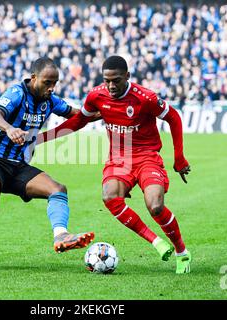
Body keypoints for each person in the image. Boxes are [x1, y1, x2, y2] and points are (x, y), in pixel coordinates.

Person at [38, 56, 192, 274]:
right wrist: (42, 138)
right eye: (107, 80)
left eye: (116, 80)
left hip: (147, 156)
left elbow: (174, 117)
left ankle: (182, 252)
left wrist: (179, 158)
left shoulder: (145, 97)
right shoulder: (97, 96)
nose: (111, 86)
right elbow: (79, 121)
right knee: (109, 196)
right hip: (119, 158)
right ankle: (155, 241)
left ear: (127, 76)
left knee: (155, 205)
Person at [0, 57, 95, 269]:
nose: (51, 88)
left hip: (18, 165)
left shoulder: (50, 101)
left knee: (58, 190)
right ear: (34, 78)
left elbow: (77, 114)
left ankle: (60, 235)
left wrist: (107, 113)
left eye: (55, 83)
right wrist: (9, 128)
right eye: (47, 82)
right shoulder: (17, 93)